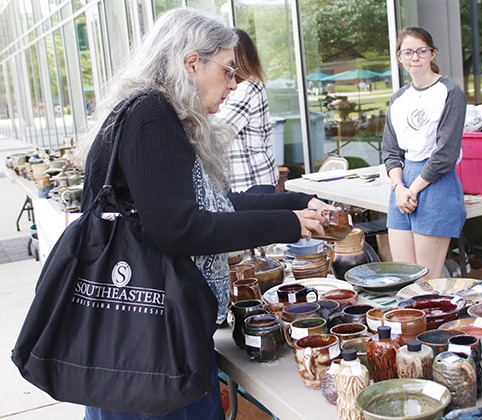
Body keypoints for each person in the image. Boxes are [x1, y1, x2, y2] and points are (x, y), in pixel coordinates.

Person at [77, 7, 333, 420]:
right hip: (151, 347)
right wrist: (286, 224)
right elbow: (180, 229)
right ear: (192, 62)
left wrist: (296, 202)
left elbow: (212, 204)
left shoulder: (154, 114)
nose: (234, 84)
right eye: (229, 71)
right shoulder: (151, 116)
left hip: (144, 336)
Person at [382, 27, 467, 279]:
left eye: (421, 50)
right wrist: (399, 187)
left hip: (434, 184)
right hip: (401, 187)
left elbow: (445, 154)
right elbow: (390, 150)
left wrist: (413, 189)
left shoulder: (449, 92)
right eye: (408, 52)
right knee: (404, 278)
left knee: (427, 280)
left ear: (433, 53)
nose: (415, 57)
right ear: (399, 57)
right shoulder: (399, 98)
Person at [217, 29, 279, 193]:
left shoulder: (247, 88)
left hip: (251, 181)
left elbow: (219, 132)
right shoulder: (240, 87)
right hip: (249, 181)